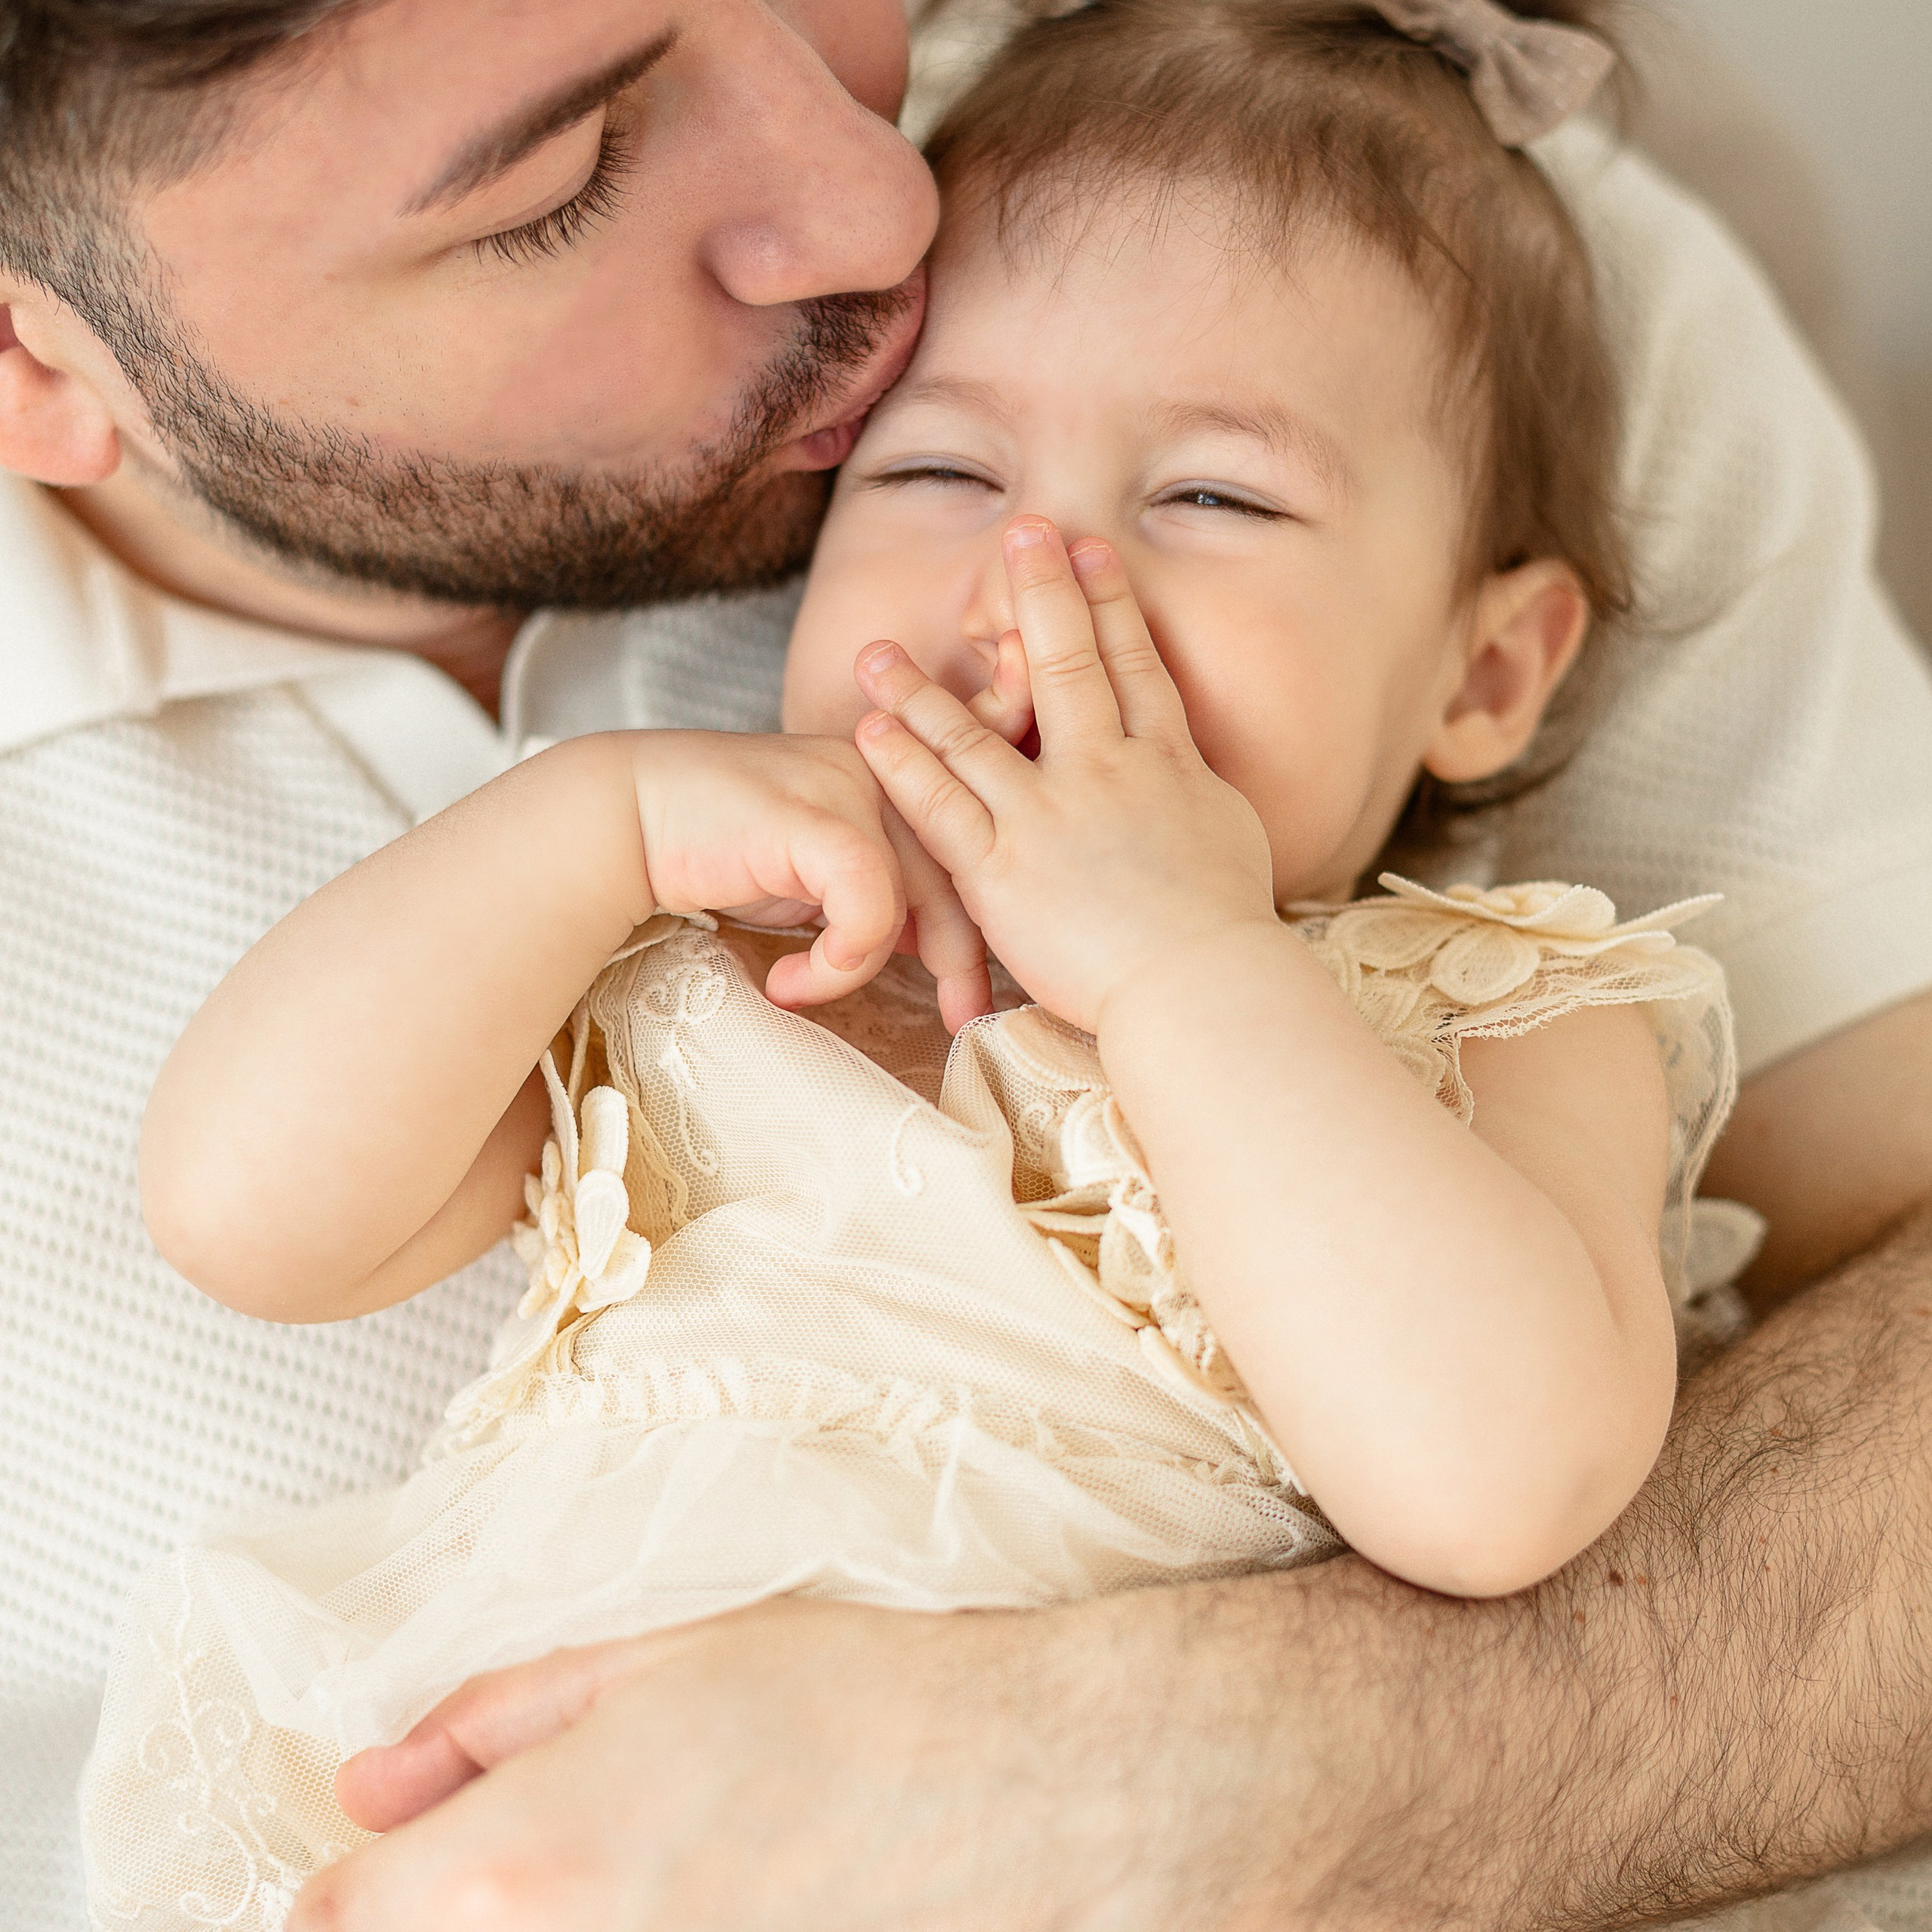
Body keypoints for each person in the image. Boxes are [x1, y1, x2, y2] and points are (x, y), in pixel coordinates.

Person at [0, 0, 1926, 1927]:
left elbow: (1502, 1478)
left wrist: (1185, 970)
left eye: (1213, 501)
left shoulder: (1496, 1013)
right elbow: (252, 1214)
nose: (1037, 585)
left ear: (1485, 670)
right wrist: (586, 829)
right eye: (924, 474)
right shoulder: (689, 951)